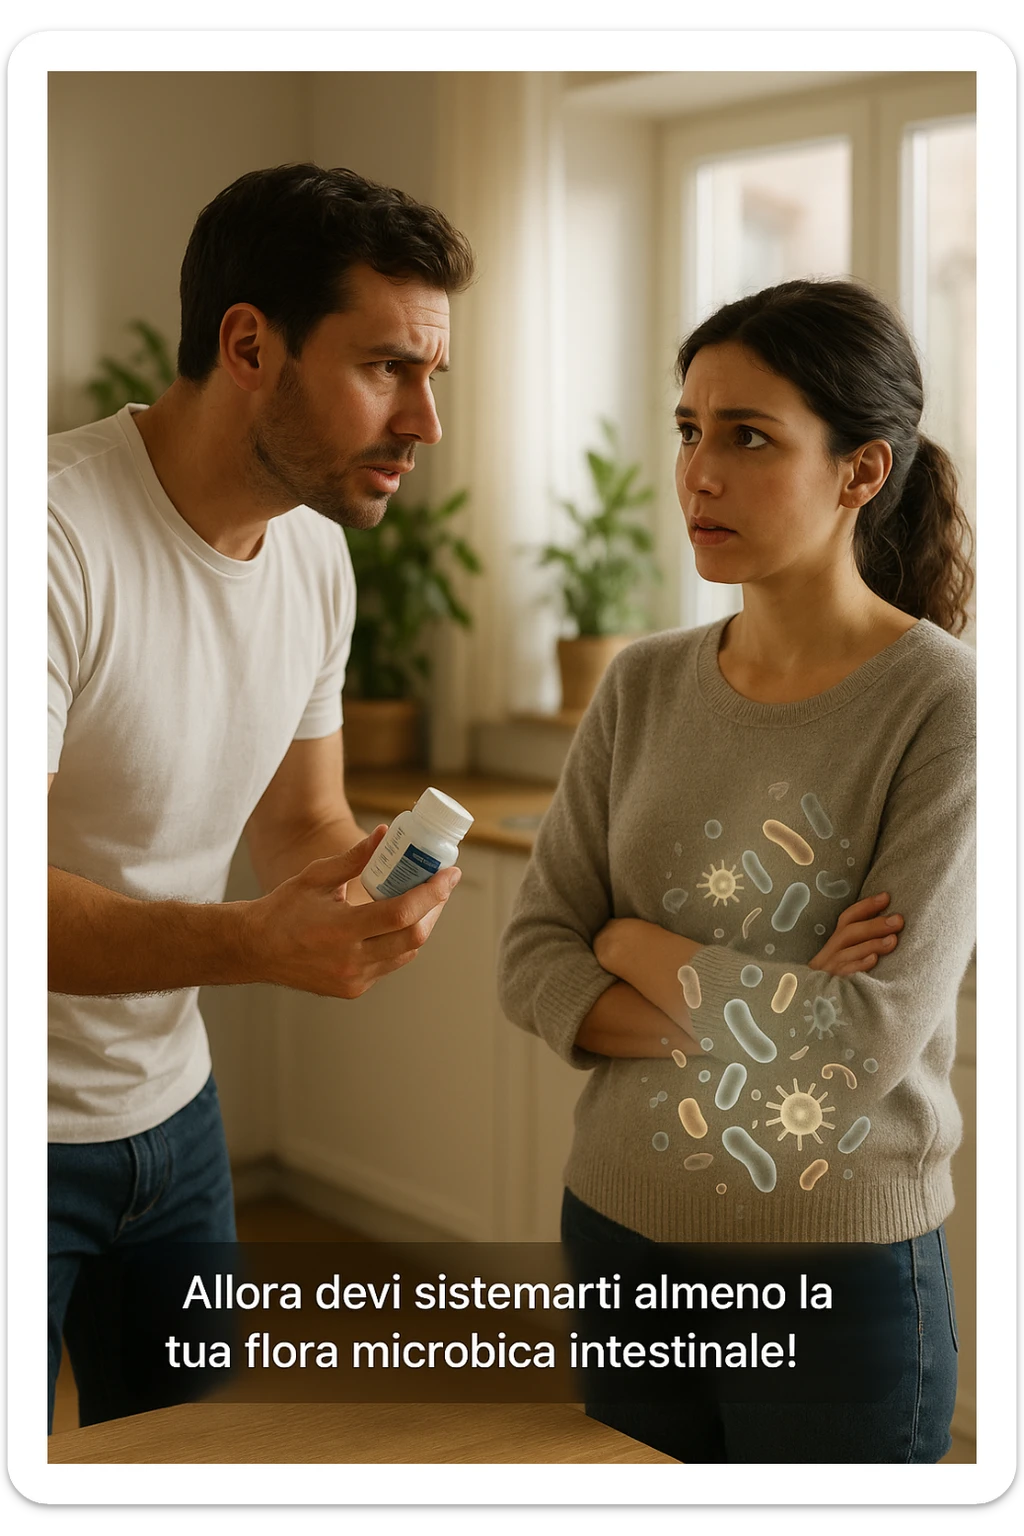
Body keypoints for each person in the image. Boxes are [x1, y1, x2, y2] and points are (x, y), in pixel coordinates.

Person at [497, 278, 975, 1464]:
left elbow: (857, 1043)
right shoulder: (642, 682)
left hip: (834, 1267)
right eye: (689, 429)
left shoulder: (945, 706)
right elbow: (531, 957)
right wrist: (762, 1001)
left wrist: (636, 948)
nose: (698, 473)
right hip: (619, 1232)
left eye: (748, 437)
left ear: (860, 472)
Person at [47, 164, 475, 1431]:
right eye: (388, 367)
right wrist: (246, 944)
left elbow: (302, 827)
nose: (425, 422)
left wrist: (387, 882)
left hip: (171, 1123)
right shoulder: (54, 544)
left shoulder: (314, 557)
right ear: (248, 343)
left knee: (184, 1453)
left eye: (432, 374)